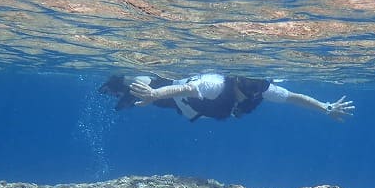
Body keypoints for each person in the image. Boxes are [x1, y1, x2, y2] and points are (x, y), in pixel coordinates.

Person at [99, 73, 354, 121]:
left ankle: (124, 89)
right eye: (250, 81)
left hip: (189, 108)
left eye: (260, 83)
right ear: (238, 78)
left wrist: (325, 106)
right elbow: (183, 90)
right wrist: (155, 94)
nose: (256, 88)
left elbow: (293, 97)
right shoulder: (215, 85)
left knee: (136, 98)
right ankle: (119, 81)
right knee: (140, 83)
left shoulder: (263, 90)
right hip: (172, 93)